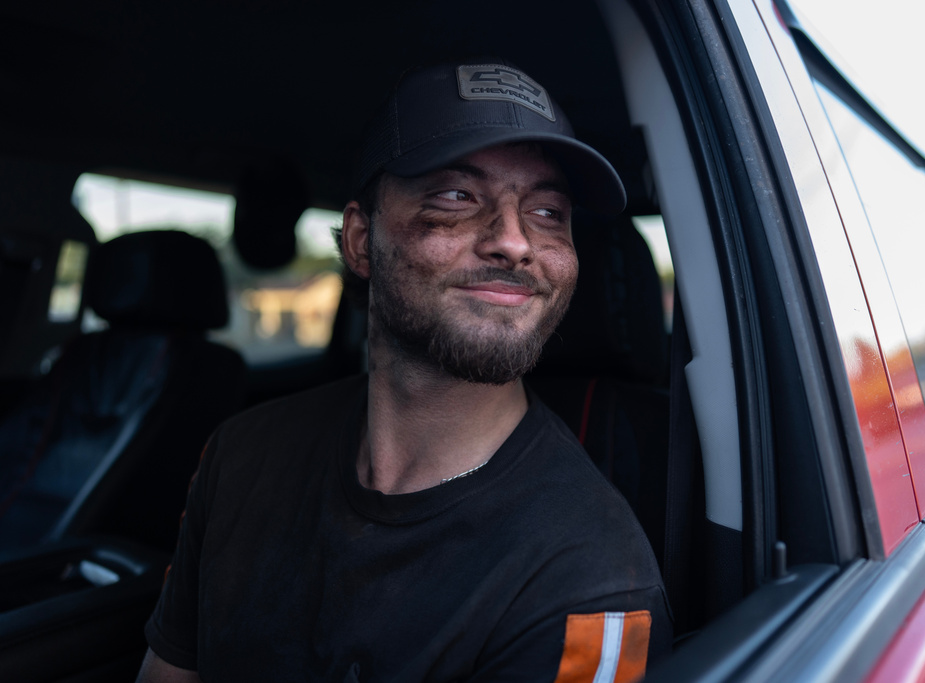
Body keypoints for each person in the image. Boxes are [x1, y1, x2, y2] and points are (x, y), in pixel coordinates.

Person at [137, 59, 671, 682]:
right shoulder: (242, 454)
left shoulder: (589, 578)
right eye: (456, 196)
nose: (514, 240)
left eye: (549, 212)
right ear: (362, 241)